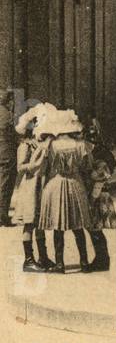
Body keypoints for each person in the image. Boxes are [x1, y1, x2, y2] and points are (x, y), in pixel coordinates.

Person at [34, 108, 94, 273]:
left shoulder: (50, 146)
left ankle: (60, 264)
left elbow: (43, 168)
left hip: (55, 184)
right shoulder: (81, 145)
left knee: (58, 226)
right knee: (78, 225)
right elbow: (87, 167)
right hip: (75, 184)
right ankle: (84, 262)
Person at [12, 103, 56, 271]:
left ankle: (43, 257)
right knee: (30, 222)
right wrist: (37, 163)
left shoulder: (41, 144)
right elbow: (20, 167)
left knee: (39, 221)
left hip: (40, 185)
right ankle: (28, 259)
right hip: (30, 187)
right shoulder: (25, 145)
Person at [84, 118, 116, 272]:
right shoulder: (102, 151)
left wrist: (91, 199)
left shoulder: (99, 154)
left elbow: (99, 179)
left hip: (98, 195)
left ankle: (102, 259)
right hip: (100, 193)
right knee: (94, 228)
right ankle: (101, 258)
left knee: (95, 228)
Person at [0, 89, 17, 226]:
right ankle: (2, 216)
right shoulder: (7, 115)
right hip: (6, 154)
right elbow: (12, 134)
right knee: (5, 185)